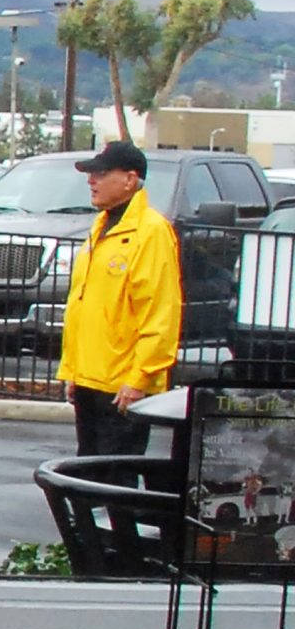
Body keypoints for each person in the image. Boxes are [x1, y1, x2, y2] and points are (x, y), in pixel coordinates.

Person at [57, 142, 180, 457]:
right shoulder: (101, 227)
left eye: (100, 173)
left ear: (130, 179)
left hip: (122, 385)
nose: (91, 181)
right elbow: (84, 305)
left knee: (118, 480)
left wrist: (139, 379)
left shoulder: (151, 232)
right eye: (90, 174)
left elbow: (159, 313)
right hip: (90, 380)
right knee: (87, 475)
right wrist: (73, 371)